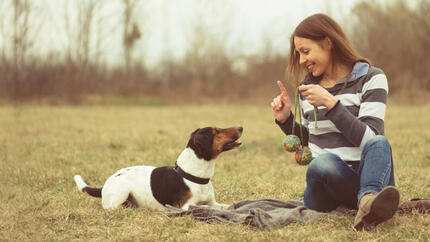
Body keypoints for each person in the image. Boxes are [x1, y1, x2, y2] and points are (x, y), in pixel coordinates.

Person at [271, 13, 399, 230]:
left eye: (306, 51)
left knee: (379, 143)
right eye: (298, 54)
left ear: (328, 42)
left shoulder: (372, 78)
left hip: (369, 178)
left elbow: (369, 138)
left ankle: (368, 202)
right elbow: (313, 140)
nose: (302, 61)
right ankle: (368, 204)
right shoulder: (307, 89)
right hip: (325, 188)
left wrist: (331, 104)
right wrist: (286, 120)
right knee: (322, 162)